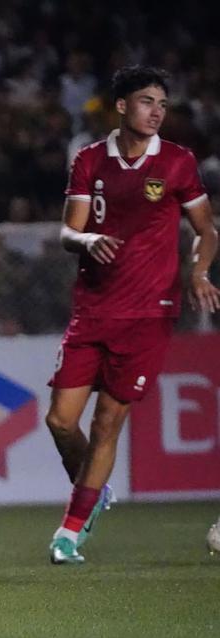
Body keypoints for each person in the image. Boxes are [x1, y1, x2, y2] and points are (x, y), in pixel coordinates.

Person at [45, 66, 219, 564]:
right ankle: (93, 491)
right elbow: (67, 233)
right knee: (59, 420)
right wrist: (88, 239)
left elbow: (207, 230)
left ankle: (69, 532)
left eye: (162, 103)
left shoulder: (180, 163)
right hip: (93, 308)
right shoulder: (90, 161)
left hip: (148, 312)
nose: (157, 111)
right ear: (121, 106)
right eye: (146, 101)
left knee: (107, 422)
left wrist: (200, 271)